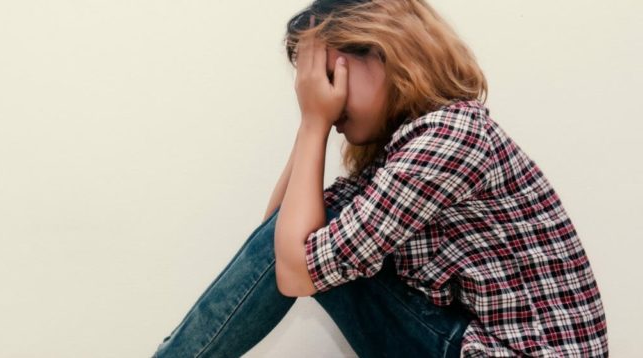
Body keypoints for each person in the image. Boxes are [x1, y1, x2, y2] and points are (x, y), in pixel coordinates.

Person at [152, 0, 609, 356]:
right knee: (312, 238)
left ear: (385, 52)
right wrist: (313, 122)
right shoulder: (405, 149)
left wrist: (316, 122)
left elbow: (292, 269)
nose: (325, 94)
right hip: (474, 345)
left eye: (331, 76)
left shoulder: (452, 135)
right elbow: (277, 240)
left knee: (316, 250)